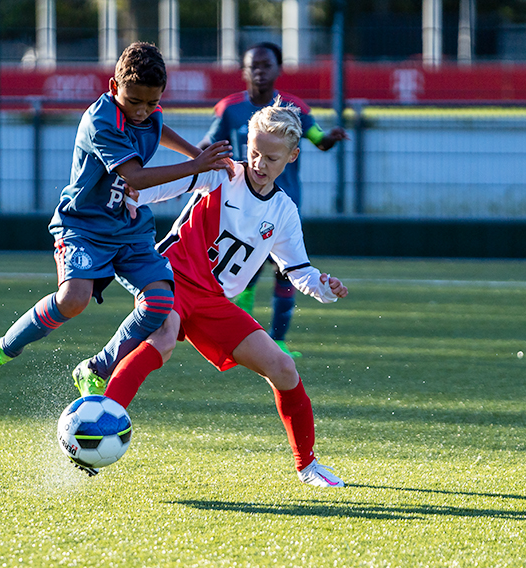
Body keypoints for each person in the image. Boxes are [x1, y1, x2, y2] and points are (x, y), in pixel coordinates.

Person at [75, 100, 348, 487]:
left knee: (284, 368)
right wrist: (132, 200)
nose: (259, 163)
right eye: (254, 152)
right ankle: (97, 430)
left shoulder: (284, 211)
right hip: (171, 277)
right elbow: (157, 187)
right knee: (164, 339)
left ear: (292, 157)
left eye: (271, 157)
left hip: (215, 302)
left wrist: (325, 288)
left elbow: (298, 269)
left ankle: (308, 466)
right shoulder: (222, 174)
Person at [0, 42, 233, 386]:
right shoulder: (101, 120)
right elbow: (134, 176)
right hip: (83, 226)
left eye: (153, 102)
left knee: (160, 301)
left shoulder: (147, 112)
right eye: (135, 102)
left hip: (128, 229)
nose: (143, 111)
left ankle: (98, 369)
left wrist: (197, 152)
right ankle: (3, 348)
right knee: (73, 299)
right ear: (114, 87)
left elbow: (158, 128)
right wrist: (195, 165)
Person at [203, 42, 348, 358]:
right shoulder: (229, 109)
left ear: (278, 69)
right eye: (253, 65)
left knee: (287, 270)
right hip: (242, 207)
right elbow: (209, 144)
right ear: (243, 70)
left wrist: (328, 139)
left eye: (266, 65)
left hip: (284, 206)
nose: (259, 70)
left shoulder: (295, 108)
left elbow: (316, 139)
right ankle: (238, 331)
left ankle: (278, 340)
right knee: (246, 269)